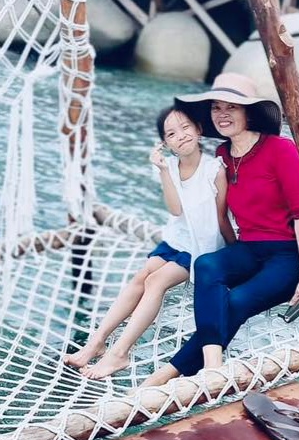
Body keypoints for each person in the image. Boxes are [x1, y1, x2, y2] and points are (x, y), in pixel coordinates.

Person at [141, 73, 299, 387]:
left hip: (293, 252)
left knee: (237, 300)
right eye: (216, 107)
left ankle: (168, 373)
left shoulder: (281, 149)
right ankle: (214, 367)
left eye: (232, 107)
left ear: (248, 112)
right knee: (206, 265)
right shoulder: (222, 155)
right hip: (250, 248)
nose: (222, 114)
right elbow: (205, 211)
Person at [65, 106, 236, 379]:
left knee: (155, 281)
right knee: (141, 275)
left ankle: (119, 353)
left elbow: (221, 217)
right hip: (177, 239)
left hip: (202, 246)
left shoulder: (214, 168)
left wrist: (235, 253)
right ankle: (96, 342)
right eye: (171, 134)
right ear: (165, 143)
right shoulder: (168, 167)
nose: (181, 136)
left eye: (186, 127)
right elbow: (175, 209)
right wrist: (163, 169)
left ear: (199, 129)